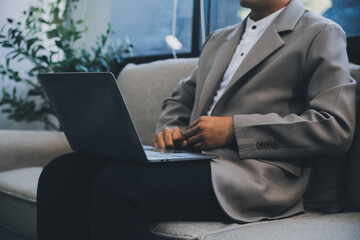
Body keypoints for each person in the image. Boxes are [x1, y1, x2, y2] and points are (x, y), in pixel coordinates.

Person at [37, 0, 356, 239]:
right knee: (63, 172)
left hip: (255, 175)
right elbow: (179, 99)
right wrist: (170, 129)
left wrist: (234, 130)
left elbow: (335, 126)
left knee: (120, 185)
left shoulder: (320, 33)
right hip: (193, 160)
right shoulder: (220, 38)